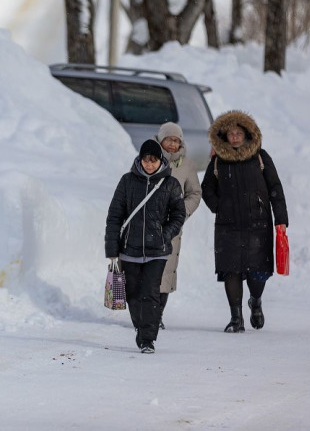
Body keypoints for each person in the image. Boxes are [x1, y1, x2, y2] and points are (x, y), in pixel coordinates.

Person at [200, 110, 288, 333]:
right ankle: (235, 318)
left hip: (258, 225)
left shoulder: (260, 157)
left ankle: (255, 301)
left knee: (258, 273)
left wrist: (281, 219)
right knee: (231, 270)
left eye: (239, 133)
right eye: (231, 134)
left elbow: (275, 188)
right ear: (225, 136)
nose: (235, 137)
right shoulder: (218, 161)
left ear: (247, 134)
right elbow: (206, 188)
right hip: (228, 226)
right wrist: (218, 207)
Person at [105, 139, 186, 353]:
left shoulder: (170, 184)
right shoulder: (127, 181)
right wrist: (112, 248)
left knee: (150, 292)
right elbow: (114, 216)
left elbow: (179, 215)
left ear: (160, 160)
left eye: (153, 160)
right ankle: (141, 328)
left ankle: (148, 339)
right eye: (146, 160)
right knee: (132, 294)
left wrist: (164, 234)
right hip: (129, 250)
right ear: (140, 160)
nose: (149, 164)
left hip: (157, 251)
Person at [154, 123, 202, 329]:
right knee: (146, 270)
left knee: (165, 269)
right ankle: (145, 312)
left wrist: (181, 213)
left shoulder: (187, 165)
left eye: (176, 140)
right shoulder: (149, 159)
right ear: (161, 140)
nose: (173, 144)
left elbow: (194, 193)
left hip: (171, 227)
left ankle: (157, 315)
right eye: (169, 139)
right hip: (148, 224)